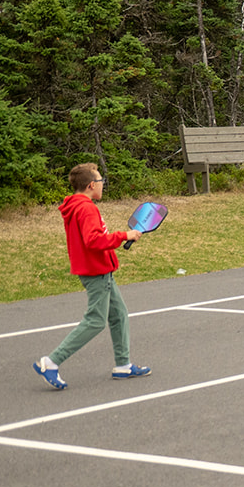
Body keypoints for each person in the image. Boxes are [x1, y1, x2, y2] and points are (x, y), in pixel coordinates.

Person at [35, 164, 149, 390]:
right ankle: (51, 361)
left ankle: (123, 365)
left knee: (118, 314)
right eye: (100, 181)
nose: (102, 184)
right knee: (95, 321)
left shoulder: (76, 205)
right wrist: (124, 235)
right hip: (95, 271)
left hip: (97, 269)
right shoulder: (86, 208)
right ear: (90, 185)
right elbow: (93, 240)